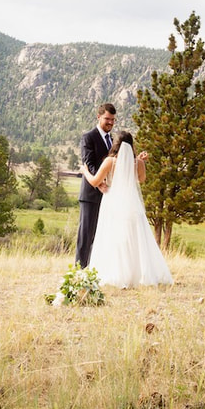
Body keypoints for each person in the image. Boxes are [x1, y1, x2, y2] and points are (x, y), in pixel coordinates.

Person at [84, 131, 173, 288]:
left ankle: (117, 273)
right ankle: (136, 273)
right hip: (132, 204)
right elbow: (142, 179)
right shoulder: (137, 163)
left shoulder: (110, 162)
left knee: (113, 238)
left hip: (112, 203)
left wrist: (84, 170)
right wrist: (139, 162)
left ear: (115, 144)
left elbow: (94, 181)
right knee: (134, 238)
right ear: (131, 146)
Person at [75, 103, 116, 267]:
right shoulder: (88, 137)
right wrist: (99, 184)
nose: (110, 123)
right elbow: (89, 164)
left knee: (101, 235)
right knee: (86, 235)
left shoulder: (112, 140)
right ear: (98, 117)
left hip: (107, 195)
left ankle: (94, 269)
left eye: (113, 120)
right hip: (91, 195)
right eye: (107, 119)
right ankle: (80, 272)